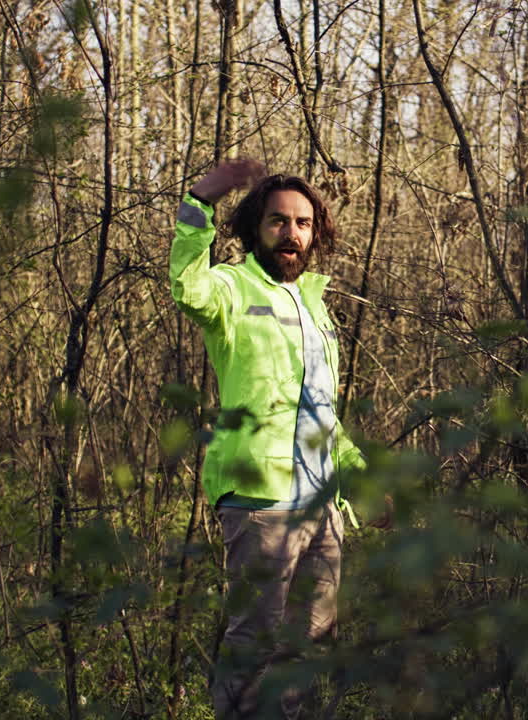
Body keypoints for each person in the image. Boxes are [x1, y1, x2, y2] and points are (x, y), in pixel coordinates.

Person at [170, 158, 369, 719]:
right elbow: (188, 289)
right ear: (256, 227)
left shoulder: (314, 305)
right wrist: (198, 205)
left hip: (323, 506)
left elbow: (320, 411)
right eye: (278, 221)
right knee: (255, 644)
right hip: (261, 501)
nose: (291, 233)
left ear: (316, 232)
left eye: (303, 223)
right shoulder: (232, 287)